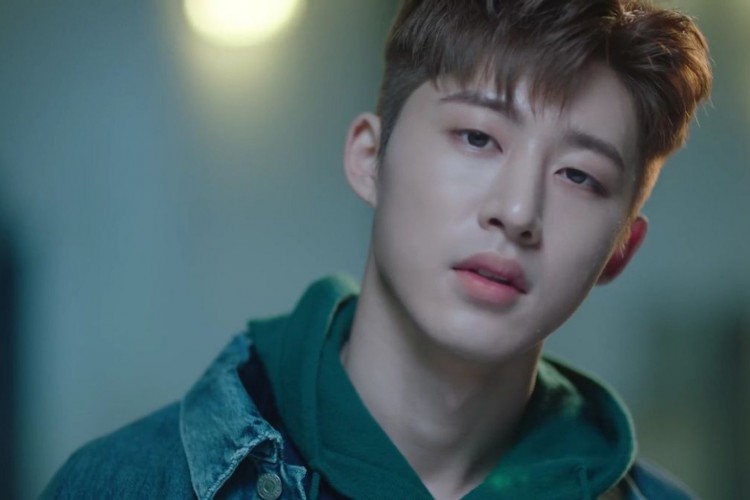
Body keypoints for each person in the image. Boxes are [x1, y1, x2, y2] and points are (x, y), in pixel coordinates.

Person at [43, 0, 712, 498]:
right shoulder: (125, 484)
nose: (516, 213)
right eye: (478, 138)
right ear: (370, 158)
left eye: (579, 176)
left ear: (620, 250)